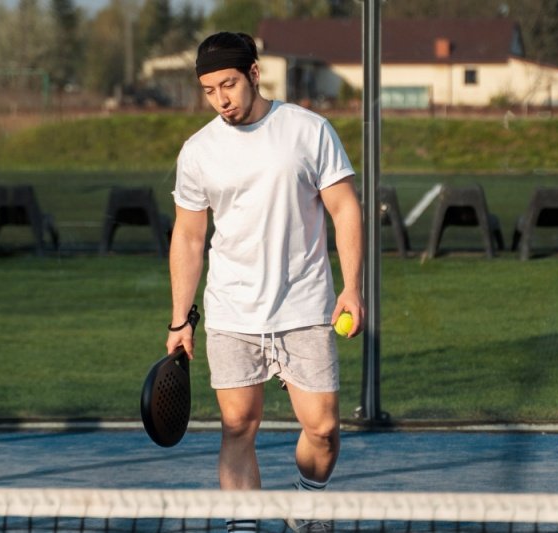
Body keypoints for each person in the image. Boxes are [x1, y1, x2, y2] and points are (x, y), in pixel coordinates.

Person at [165, 31, 364, 533]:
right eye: (209, 90)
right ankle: (244, 526)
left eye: (228, 84)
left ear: (254, 73)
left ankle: (306, 503)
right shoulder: (198, 151)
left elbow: (344, 210)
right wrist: (180, 320)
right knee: (237, 426)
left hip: (304, 305)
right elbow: (189, 238)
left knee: (322, 430)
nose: (220, 99)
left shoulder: (308, 130)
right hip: (231, 311)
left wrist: (352, 286)